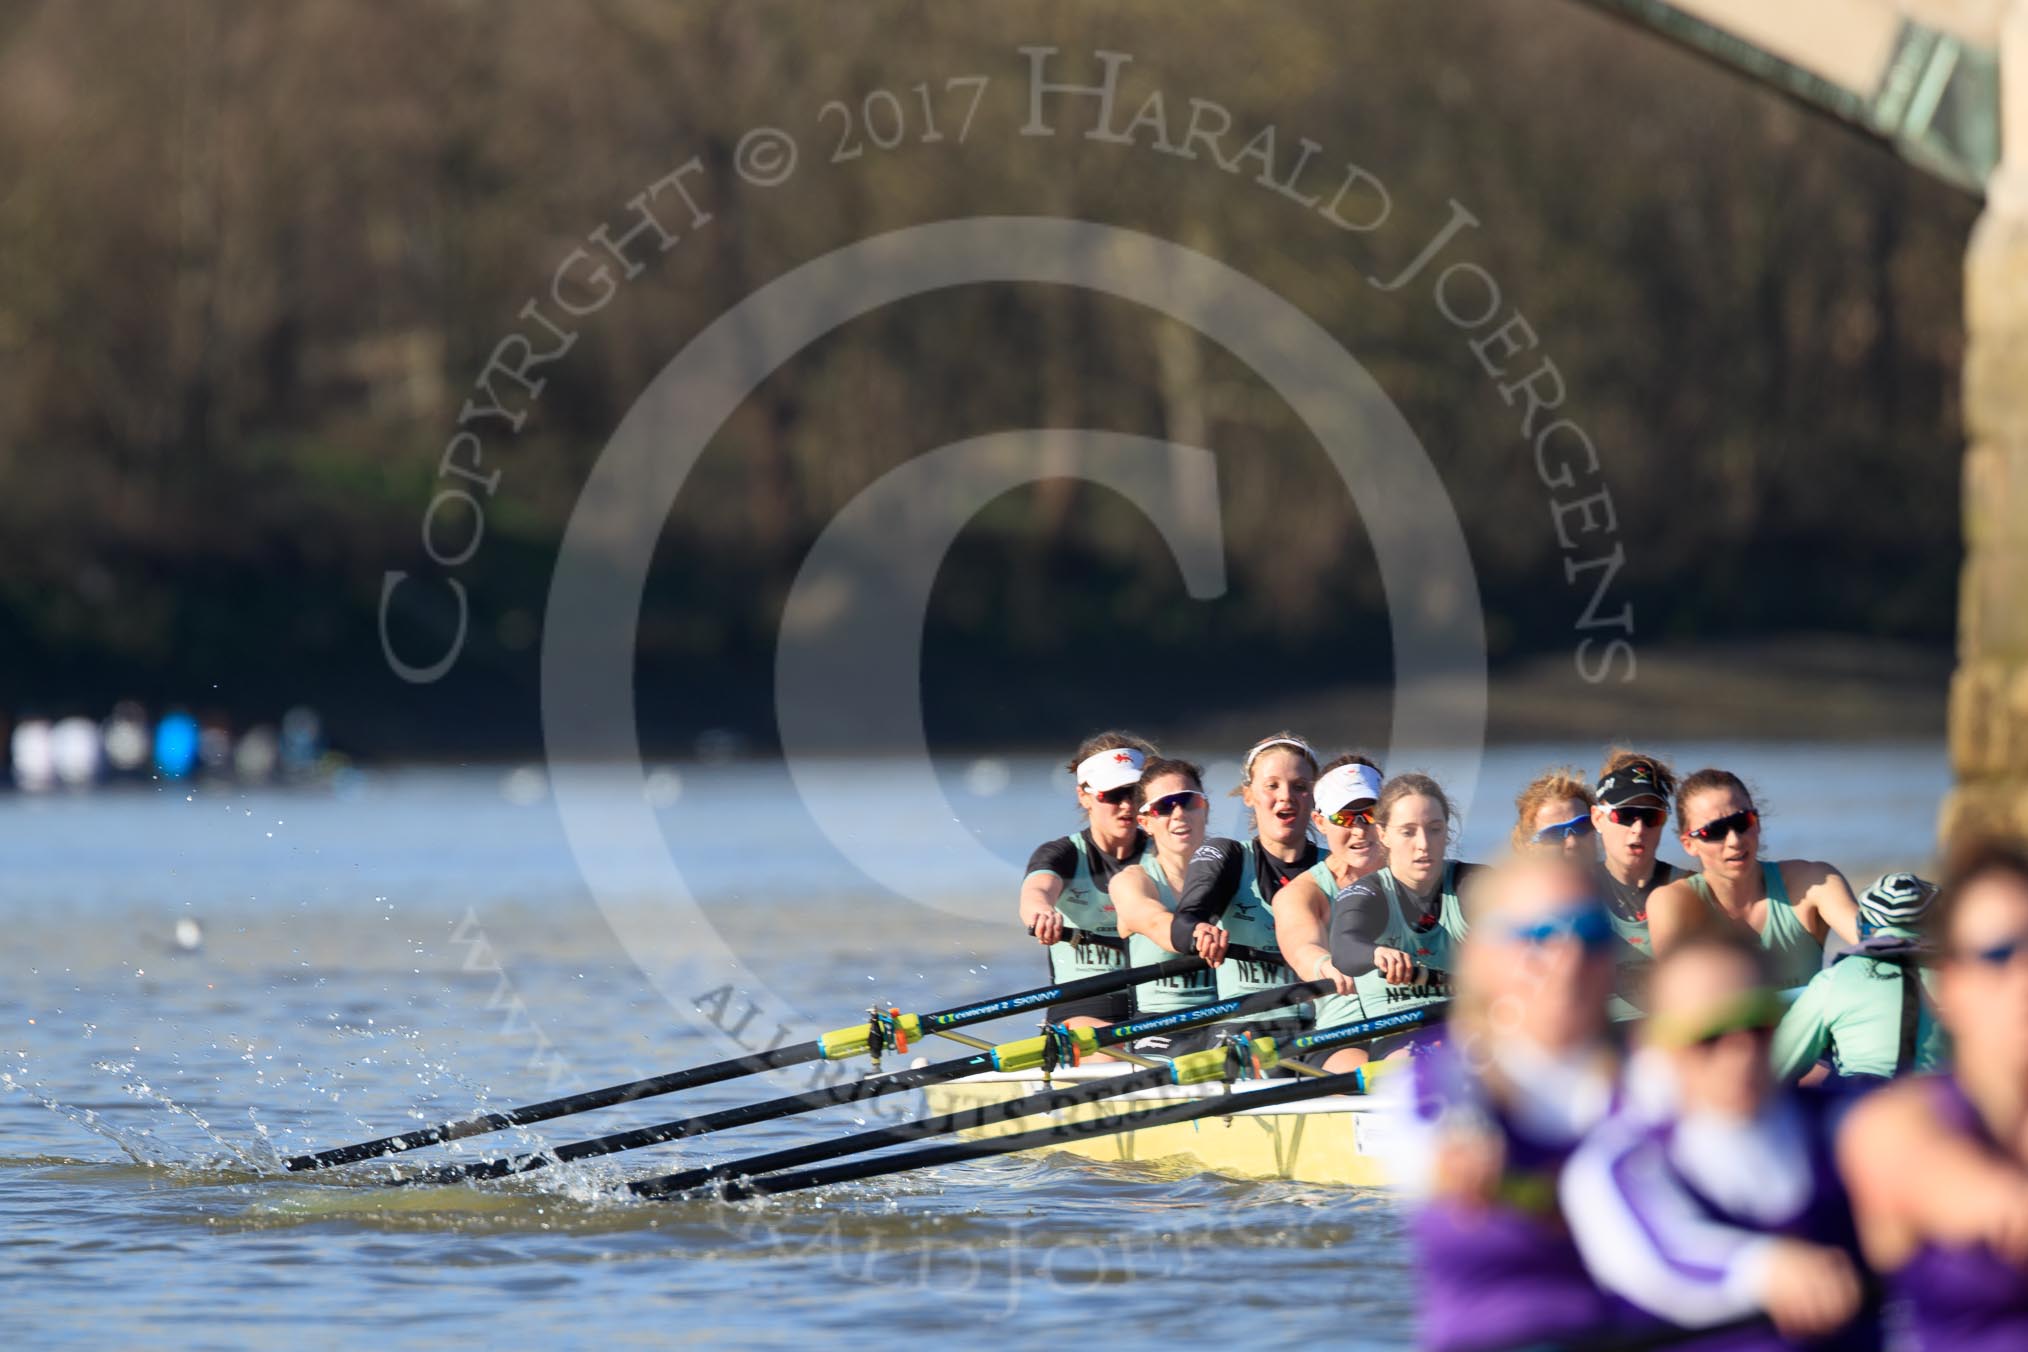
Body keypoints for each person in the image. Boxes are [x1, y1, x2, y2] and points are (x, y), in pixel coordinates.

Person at [1560, 934, 1877, 1350]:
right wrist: (1765, 1269)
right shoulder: (1617, 1166)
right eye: (1710, 1034)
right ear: (1660, 1046)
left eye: (1757, 1025)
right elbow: (1663, 1259)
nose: (1740, 1052)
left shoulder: (1841, 1121)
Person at [1367, 855, 1629, 1352]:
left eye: (1590, 934)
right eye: (1541, 935)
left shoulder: (1656, 1076)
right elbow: (1429, 1150)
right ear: (1487, 957)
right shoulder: (1433, 1081)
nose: (1568, 957)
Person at [1839, 841, 2028, 1350]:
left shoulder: (1837, 981)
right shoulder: (1894, 1125)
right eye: (2000, 955)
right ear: (1953, 983)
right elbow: (1983, 1199)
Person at [1647, 768, 1861, 990]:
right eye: (1715, 831)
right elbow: (1678, 995)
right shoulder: (1672, 902)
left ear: (1756, 823)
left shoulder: (1815, 881)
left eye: (1742, 822)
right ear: (1688, 844)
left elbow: (1877, 944)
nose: (1735, 841)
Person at [1167, 732, 1320, 1034]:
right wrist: (1199, 930)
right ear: (1249, 795)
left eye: (1300, 787)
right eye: (1272, 785)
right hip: (1245, 1029)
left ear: (1315, 798)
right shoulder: (1228, 856)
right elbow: (1185, 921)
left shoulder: (1334, 866)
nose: (1286, 796)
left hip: (1321, 1030)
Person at [1325, 772, 1481, 1049]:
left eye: (1434, 829)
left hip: (1466, 1034)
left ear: (1447, 831)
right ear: (1383, 835)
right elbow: (1344, 948)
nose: (1423, 844)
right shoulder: (1367, 893)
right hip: (1399, 1038)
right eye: (1408, 832)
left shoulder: (1471, 883)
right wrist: (1377, 953)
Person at [1018, 731, 1155, 1030]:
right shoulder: (1062, 854)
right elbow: (1036, 891)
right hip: (1082, 1006)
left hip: (1154, 1003)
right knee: (1116, 1050)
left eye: (1134, 793)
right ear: (1084, 795)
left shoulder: (1164, 852)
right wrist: (1041, 913)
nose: (1127, 806)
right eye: (1113, 795)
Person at [1772, 872, 1946, 1084]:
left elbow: (1776, 1068)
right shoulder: (1960, 979)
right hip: (1942, 1104)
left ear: (1864, 925)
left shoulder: (1834, 980)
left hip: (1861, 1105)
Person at [1272, 755, 1385, 1071]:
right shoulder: (1302, 893)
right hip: (1344, 1034)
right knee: (1374, 1078)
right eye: (1345, 819)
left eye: (1370, 814)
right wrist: (1323, 965)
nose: (1360, 830)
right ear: (1320, 823)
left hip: (1416, 1020)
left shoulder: (1415, 876)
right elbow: (1301, 945)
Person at [1109, 756, 1219, 1051]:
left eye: (1188, 801)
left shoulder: (1240, 870)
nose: (1179, 813)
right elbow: (1157, 923)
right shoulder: (1132, 881)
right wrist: (1197, 934)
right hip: (1160, 1024)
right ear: (1145, 822)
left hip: (1228, 1018)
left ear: (1204, 808)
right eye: (1164, 807)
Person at [1591, 752, 1687, 1015]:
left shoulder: (1691, 889)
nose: (1639, 829)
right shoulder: (1575, 891)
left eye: (1651, 817)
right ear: (1598, 818)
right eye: (1626, 814)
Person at [1511, 767, 1597, 860]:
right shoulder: (1507, 875)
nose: (1573, 843)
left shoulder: (1612, 873)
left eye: (1582, 826)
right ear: (1530, 847)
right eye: (1555, 833)